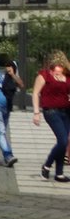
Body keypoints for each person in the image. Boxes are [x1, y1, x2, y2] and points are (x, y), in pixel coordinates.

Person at [32, 49, 70, 182]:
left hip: (66, 111)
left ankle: (59, 173)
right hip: (51, 111)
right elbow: (36, 93)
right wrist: (36, 112)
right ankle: (47, 165)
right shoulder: (44, 75)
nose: (58, 68)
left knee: (63, 142)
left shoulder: (68, 76)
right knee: (63, 140)